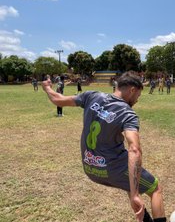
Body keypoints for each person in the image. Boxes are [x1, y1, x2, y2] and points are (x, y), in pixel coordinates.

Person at [42, 72, 166, 222]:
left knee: (129, 179)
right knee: (155, 189)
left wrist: (47, 88)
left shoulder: (91, 96)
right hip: (112, 169)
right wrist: (135, 194)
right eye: (137, 96)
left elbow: (58, 100)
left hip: (91, 169)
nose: (137, 101)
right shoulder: (128, 113)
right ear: (132, 90)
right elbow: (134, 149)